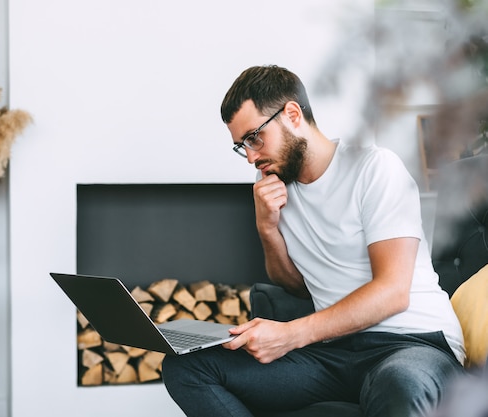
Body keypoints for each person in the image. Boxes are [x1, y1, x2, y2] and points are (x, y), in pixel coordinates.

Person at [161, 65, 465, 417]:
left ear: (292, 114)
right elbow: (296, 286)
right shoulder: (277, 187)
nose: (250, 156)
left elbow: (393, 292)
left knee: (400, 384)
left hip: (413, 341)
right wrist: (268, 229)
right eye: (240, 146)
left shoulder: (375, 168)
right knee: (187, 368)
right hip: (335, 353)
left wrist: (292, 334)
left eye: (254, 137)